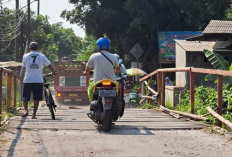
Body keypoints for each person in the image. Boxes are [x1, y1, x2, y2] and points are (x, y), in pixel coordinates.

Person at [21, 42, 56, 119]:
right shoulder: (41, 56)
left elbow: (24, 67)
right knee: (36, 97)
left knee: (25, 96)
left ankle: (26, 111)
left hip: (28, 80)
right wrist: (53, 72)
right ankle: (34, 115)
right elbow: (49, 65)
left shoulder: (25, 56)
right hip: (38, 80)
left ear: (29, 48)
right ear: (37, 48)